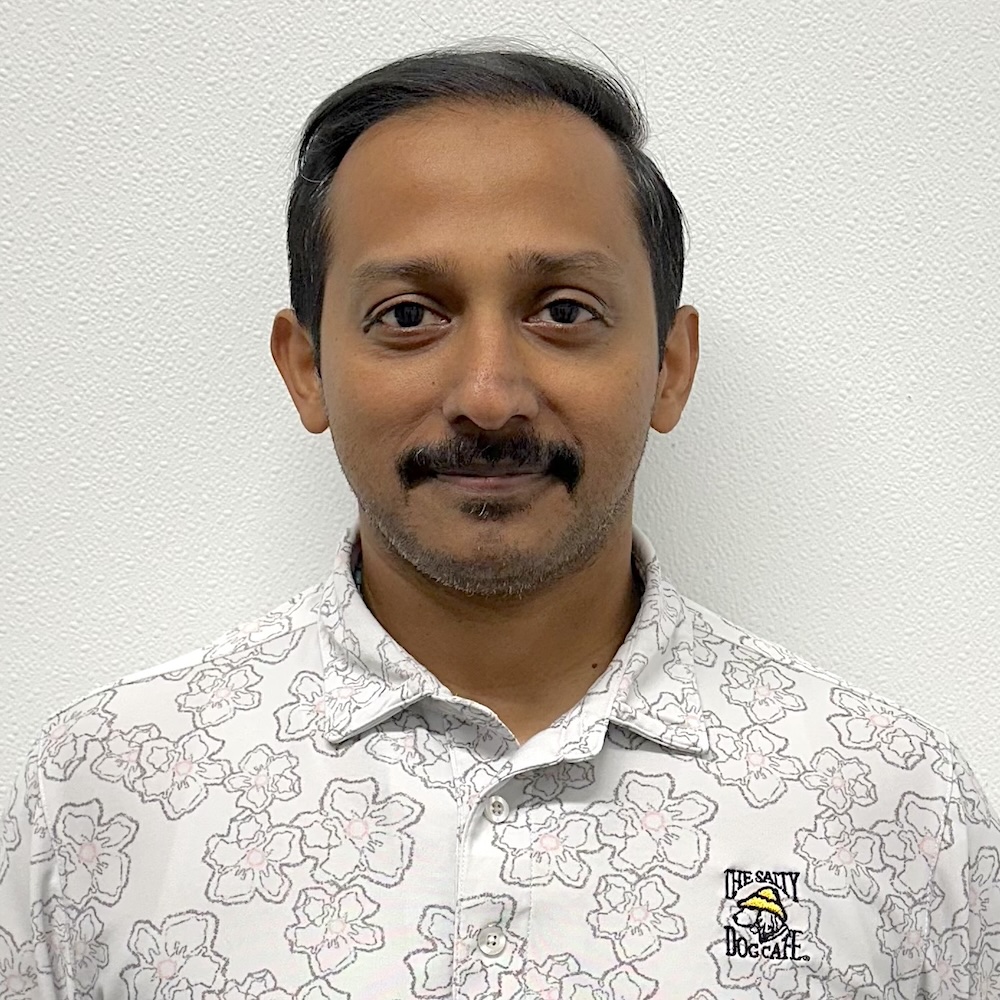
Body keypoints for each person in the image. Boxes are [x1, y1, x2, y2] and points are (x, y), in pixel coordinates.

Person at [1, 39, 997, 1000]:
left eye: (563, 311)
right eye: (408, 315)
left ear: (669, 366)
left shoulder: (891, 804)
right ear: (306, 369)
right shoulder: (103, 796)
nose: (488, 396)